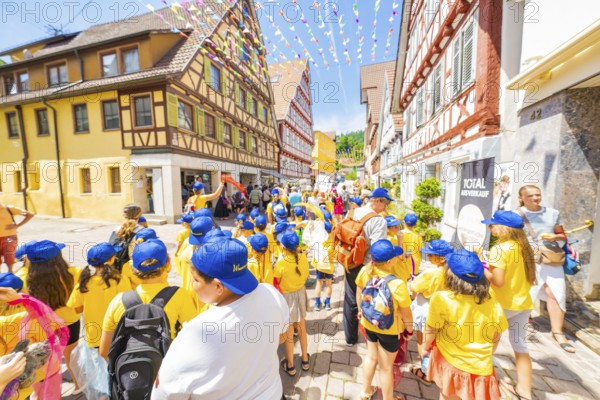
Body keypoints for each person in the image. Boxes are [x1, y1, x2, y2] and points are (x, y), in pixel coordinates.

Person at [151, 237, 289, 399]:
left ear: (218, 286)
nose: (192, 285)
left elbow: (164, 395)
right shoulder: (271, 294)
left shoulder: (193, 337)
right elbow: (281, 338)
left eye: (195, 279)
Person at [424, 250, 508, 400]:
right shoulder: (492, 299)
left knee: (447, 396)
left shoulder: (442, 298)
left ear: (450, 275)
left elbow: (431, 329)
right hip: (480, 368)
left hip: (449, 360)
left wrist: (425, 346)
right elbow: (496, 335)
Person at [100, 239, 199, 359]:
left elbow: (104, 351)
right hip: (165, 368)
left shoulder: (118, 301)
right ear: (168, 263)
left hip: (130, 372)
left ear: (133, 269)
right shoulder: (180, 295)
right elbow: (195, 338)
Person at [482, 210, 537, 399]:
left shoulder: (500, 249)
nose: (491, 227)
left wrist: (482, 267)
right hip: (523, 304)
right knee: (520, 347)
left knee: (487, 345)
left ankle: (484, 382)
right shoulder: (524, 247)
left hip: (501, 305)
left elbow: (497, 281)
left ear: (505, 229)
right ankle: (525, 390)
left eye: (493, 224)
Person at [16, 240, 82, 392]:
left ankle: (44, 392)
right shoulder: (75, 272)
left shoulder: (23, 278)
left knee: (46, 360)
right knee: (72, 357)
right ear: (58, 256)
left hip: (44, 326)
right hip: (70, 321)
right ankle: (78, 386)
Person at [517, 185, 575, 353]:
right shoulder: (516, 214)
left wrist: (556, 236)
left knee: (556, 293)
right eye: (530, 196)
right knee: (527, 292)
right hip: (527, 258)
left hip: (551, 257)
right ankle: (523, 324)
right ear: (521, 198)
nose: (535, 198)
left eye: (537, 195)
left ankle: (557, 332)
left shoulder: (552, 213)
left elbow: (562, 235)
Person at [356, 239, 413, 400]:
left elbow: (359, 294)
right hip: (389, 329)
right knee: (386, 368)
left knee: (371, 356)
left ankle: (365, 392)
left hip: (369, 322)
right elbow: (407, 313)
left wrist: (361, 311)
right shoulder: (397, 284)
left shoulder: (365, 271)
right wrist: (409, 330)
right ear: (389, 261)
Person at [343, 188, 389, 346]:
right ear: (377, 201)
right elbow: (378, 249)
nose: (386, 207)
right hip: (365, 265)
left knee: (350, 298)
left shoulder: (352, 212)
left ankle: (350, 338)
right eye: (385, 202)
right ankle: (372, 337)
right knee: (369, 299)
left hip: (348, 258)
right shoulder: (378, 221)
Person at [68, 243, 131, 351]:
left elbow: (77, 309)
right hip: (116, 333)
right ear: (111, 259)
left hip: (93, 335)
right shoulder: (120, 280)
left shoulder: (83, 283)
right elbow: (127, 305)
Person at [408, 240, 454, 385]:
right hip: (445, 309)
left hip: (426, 308)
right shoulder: (452, 272)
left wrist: (412, 298)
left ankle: (426, 372)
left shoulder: (431, 273)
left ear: (442, 258)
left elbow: (414, 288)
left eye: (431, 255)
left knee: (423, 340)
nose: (428, 257)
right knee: (437, 341)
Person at [275, 231, 310, 377]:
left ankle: (290, 365)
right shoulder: (303, 257)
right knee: (302, 328)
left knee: (289, 333)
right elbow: (307, 275)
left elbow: (276, 280)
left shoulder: (281, 262)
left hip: (287, 298)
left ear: (283, 247)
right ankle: (305, 359)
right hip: (301, 293)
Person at [0, 202, 34, 273]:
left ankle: (10, 274)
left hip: (9, 237)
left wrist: (17, 225)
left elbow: (30, 214)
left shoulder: (9, 208)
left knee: (9, 256)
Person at [313, 221, 335, 311]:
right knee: (329, 284)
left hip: (320, 266)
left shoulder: (318, 241)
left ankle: (317, 303)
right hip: (329, 266)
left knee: (319, 283)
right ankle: (328, 303)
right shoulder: (332, 243)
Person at [401, 213, 423, 279]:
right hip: (414, 264)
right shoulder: (417, 236)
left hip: (402, 263)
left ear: (403, 222)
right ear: (415, 224)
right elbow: (421, 250)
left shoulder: (399, 234)